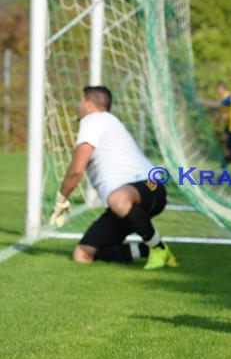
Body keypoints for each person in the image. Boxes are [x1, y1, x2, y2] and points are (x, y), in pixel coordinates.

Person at [49, 86, 178, 270]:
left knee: (117, 199)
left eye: (80, 101)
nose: (78, 106)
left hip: (150, 186)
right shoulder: (109, 122)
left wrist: (61, 200)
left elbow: (76, 170)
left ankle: (157, 247)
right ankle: (145, 249)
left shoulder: (92, 120)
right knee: (83, 254)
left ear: (88, 103)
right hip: (126, 203)